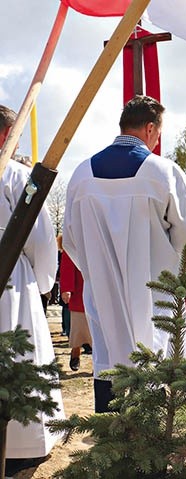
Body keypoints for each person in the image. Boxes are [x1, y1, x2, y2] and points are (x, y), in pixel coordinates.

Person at [63, 95, 186, 413]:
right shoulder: (163, 172)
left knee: (108, 359)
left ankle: (111, 445)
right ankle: (153, 454)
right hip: (155, 296)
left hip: (104, 293)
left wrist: (97, 268)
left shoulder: (82, 175)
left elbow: (71, 239)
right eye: (158, 132)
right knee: (154, 360)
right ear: (150, 128)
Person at [0, 104, 65, 473]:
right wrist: (41, 284)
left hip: (13, 272)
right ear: (7, 135)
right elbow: (41, 240)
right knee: (19, 355)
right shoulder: (17, 176)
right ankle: (21, 444)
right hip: (12, 278)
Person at [59, 240, 93, 371]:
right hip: (80, 290)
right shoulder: (74, 238)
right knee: (78, 327)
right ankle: (75, 351)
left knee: (99, 330)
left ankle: (98, 363)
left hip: (99, 289)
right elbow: (67, 264)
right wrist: (66, 288)